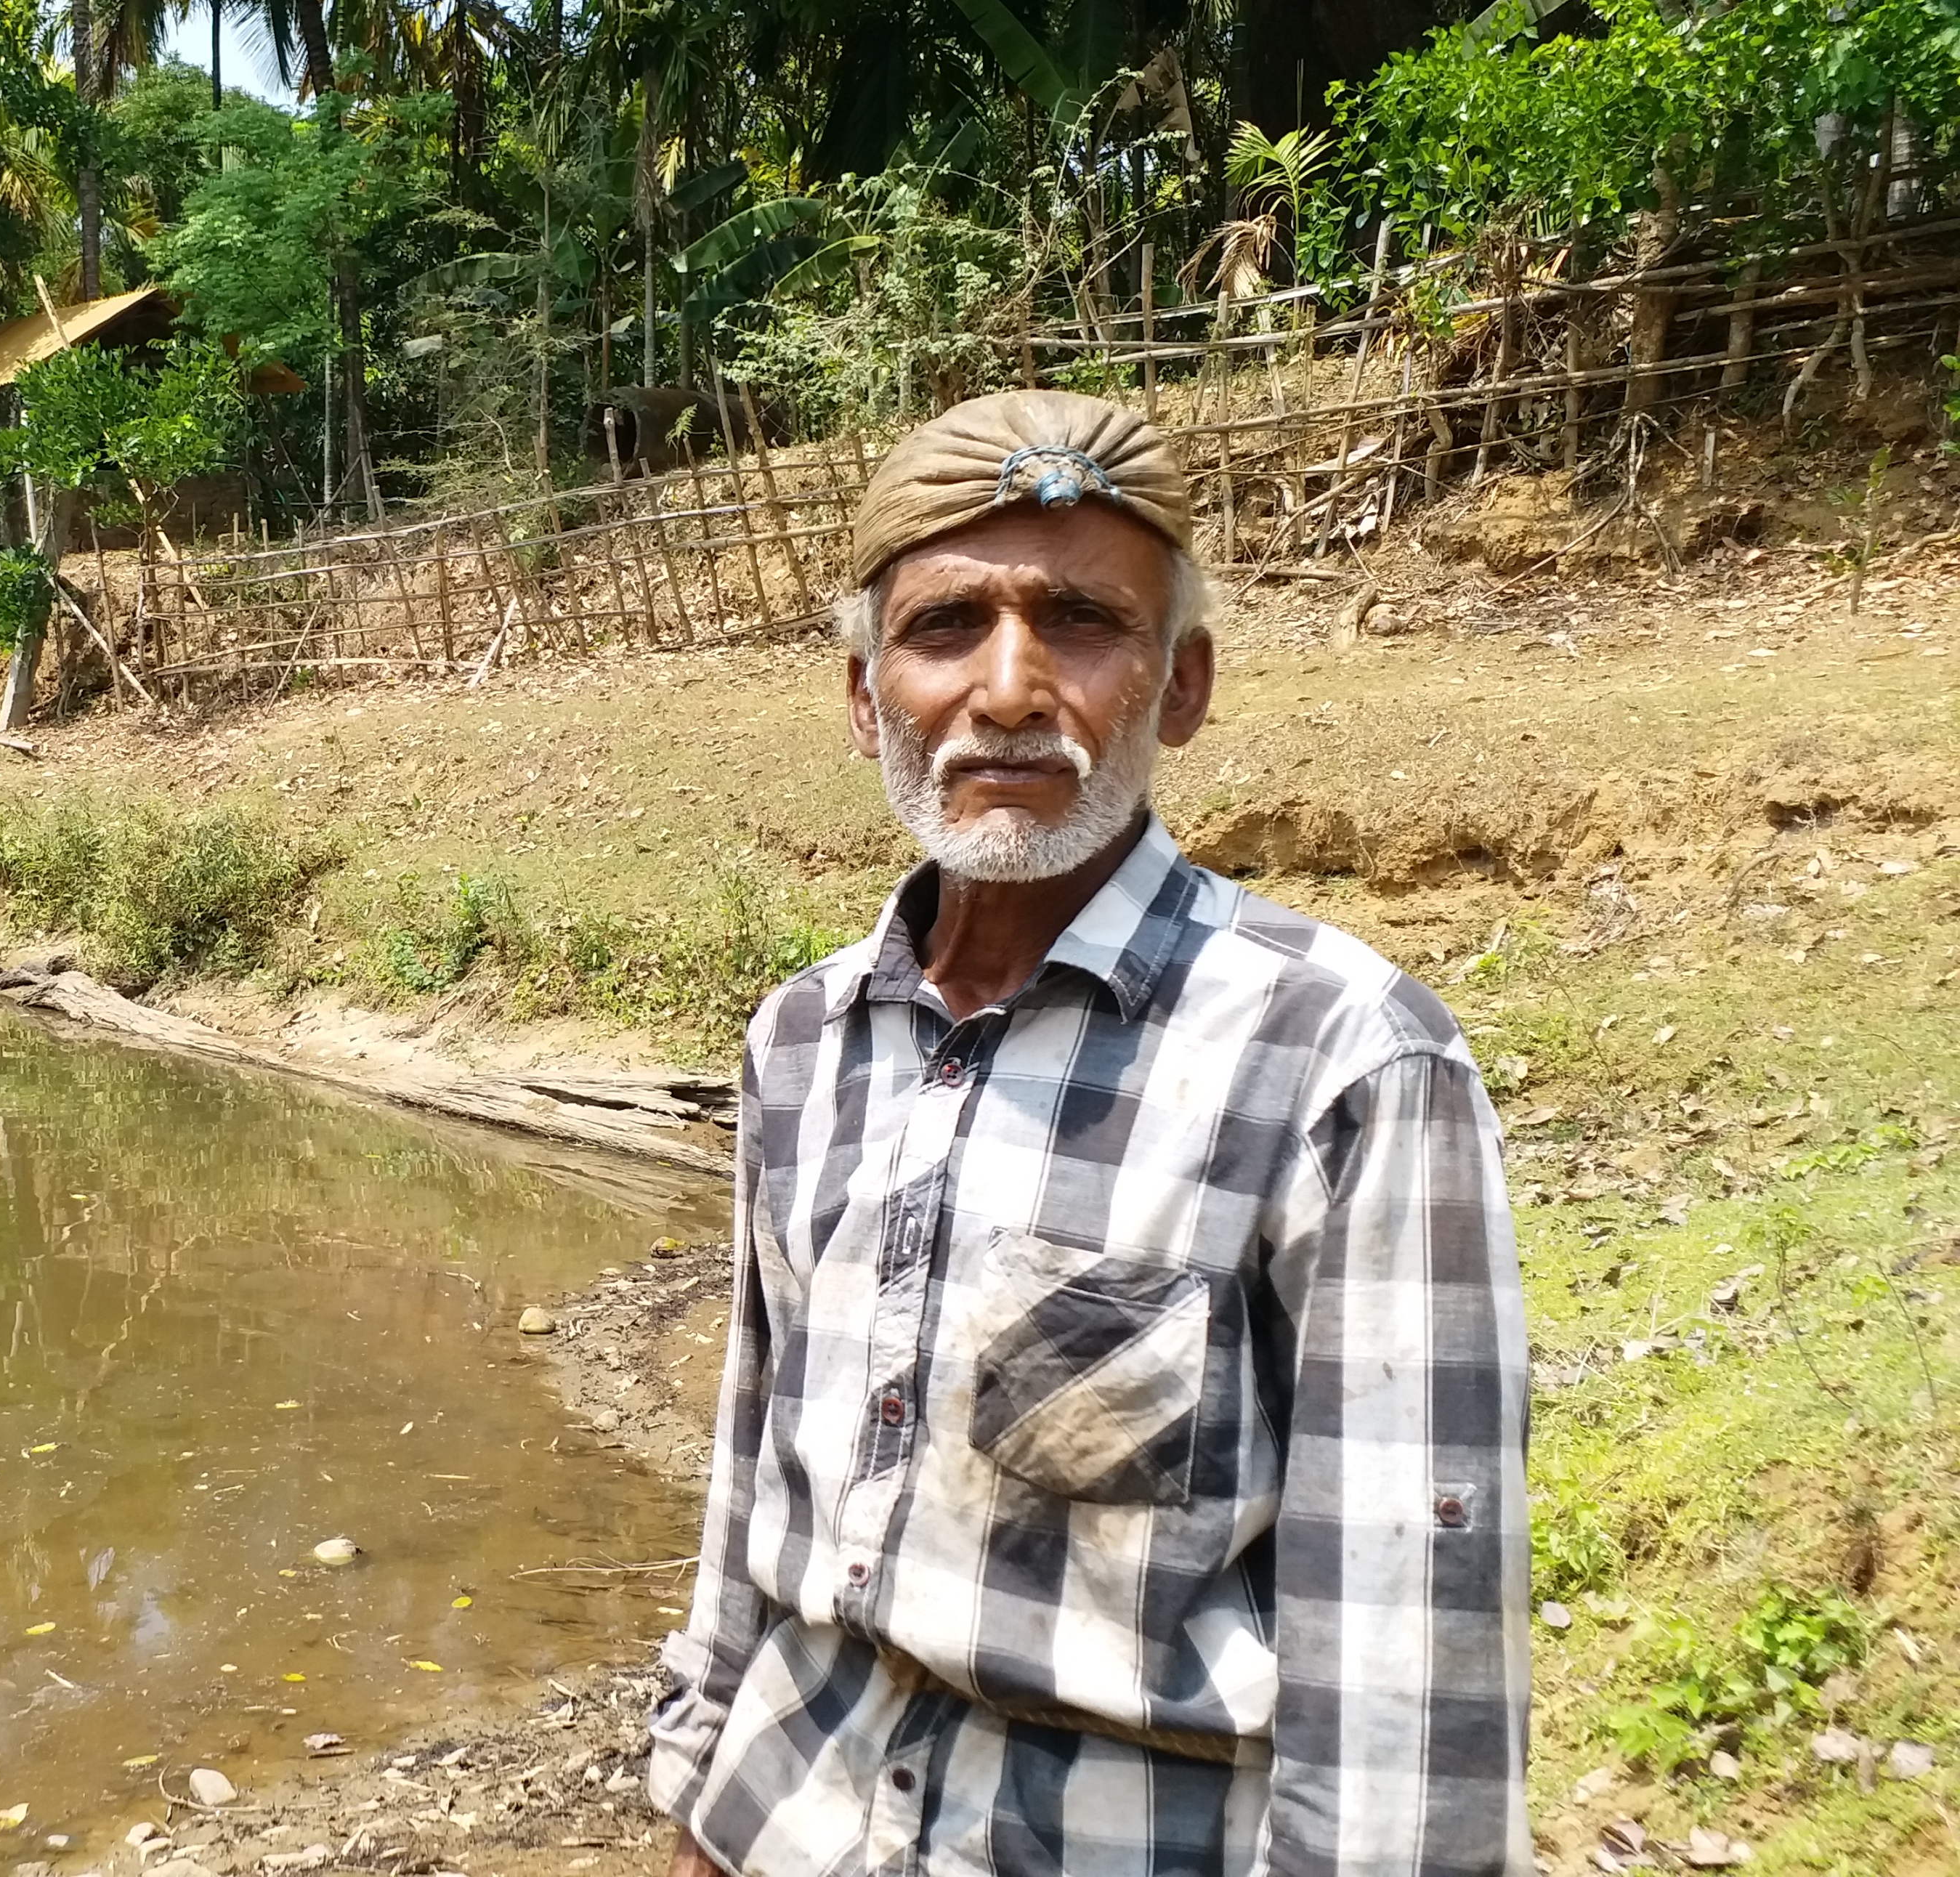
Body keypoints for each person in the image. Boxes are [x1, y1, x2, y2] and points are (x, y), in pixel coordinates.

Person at [646, 391, 1531, 1877]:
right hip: (783, 1819)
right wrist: (697, 1784)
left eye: (1077, 623)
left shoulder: (1340, 1057)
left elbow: (1411, 1639)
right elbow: (756, 1469)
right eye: (945, 630)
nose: (1007, 688)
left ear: (1177, 686)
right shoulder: (802, 1040)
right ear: (868, 699)